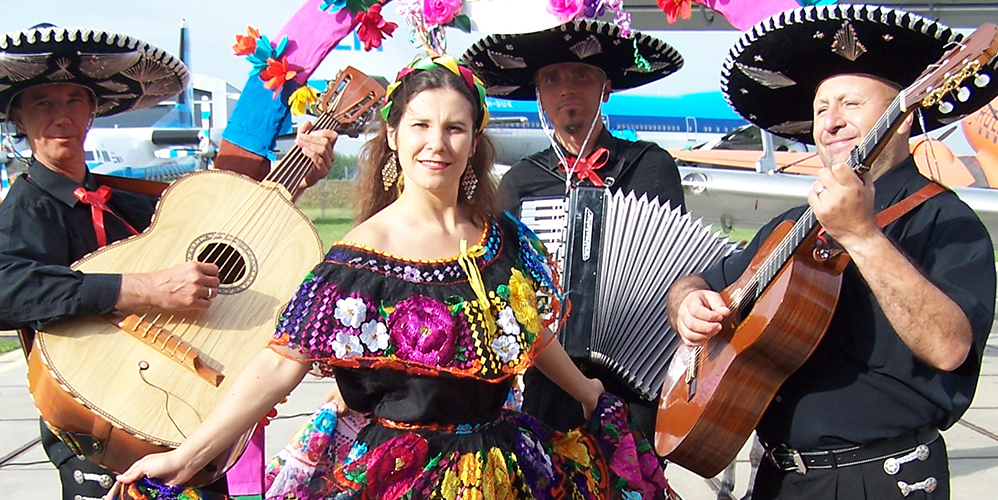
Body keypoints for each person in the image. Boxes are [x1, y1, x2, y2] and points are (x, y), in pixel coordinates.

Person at [118, 55, 671, 500]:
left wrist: (588, 392)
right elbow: (278, 364)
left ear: (474, 141)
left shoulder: (501, 236)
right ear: (393, 133)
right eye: (422, 125)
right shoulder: (356, 259)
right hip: (397, 476)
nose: (438, 144)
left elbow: (529, 331)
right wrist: (187, 454)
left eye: (455, 128)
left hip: (505, 468)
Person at [0, 25, 337, 500]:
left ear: (92, 111)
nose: (61, 116)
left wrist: (296, 174)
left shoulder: (126, 201)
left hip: (185, 419)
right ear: (18, 119)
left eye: (74, 100)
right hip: (98, 421)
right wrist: (144, 288)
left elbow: (223, 229)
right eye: (43, 103)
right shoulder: (25, 211)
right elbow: (5, 291)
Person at [664, 5, 998, 499]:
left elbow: (949, 347)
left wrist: (864, 236)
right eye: (821, 109)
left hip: (880, 480)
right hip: (779, 480)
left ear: (901, 114)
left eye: (850, 104)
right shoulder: (790, 224)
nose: (830, 122)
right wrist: (688, 307)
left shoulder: (944, 219)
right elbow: (696, 280)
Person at [461, 19, 686, 441]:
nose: (567, 88)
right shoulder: (521, 182)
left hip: (636, 373)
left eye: (581, 75)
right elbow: (506, 286)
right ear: (540, 97)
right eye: (552, 79)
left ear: (604, 89)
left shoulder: (649, 166)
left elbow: (676, 270)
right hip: (550, 377)